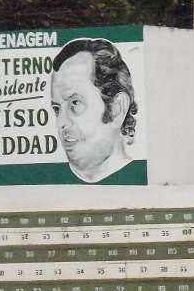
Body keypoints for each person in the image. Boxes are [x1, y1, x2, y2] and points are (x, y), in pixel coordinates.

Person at [50, 38, 143, 185]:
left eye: (75, 103)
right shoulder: (48, 183)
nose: (61, 122)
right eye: (56, 109)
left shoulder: (141, 179)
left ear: (117, 108)